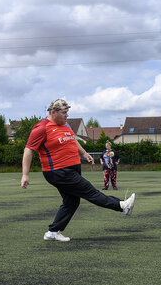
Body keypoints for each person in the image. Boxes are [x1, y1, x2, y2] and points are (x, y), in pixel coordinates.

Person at [21, 98, 136, 242]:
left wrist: (83, 153)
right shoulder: (41, 128)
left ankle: (52, 232)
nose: (67, 115)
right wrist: (25, 175)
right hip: (58, 171)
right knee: (90, 191)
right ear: (53, 112)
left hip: (72, 168)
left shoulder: (65, 125)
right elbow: (28, 150)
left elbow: (72, 139)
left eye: (67, 112)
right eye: (64, 112)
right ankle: (122, 206)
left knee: (72, 202)